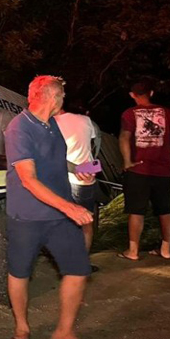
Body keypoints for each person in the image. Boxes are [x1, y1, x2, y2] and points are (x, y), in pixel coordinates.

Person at [3, 76, 94, 339]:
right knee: (20, 272)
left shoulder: (51, 124)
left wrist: (77, 167)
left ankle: (64, 331)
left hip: (58, 214)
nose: (64, 100)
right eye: (62, 96)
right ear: (52, 97)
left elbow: (51, 160)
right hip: (28, 215)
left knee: (78, 270)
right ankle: (22, 328)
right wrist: (70, 207)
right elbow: (28, 179)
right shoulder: (19, 128)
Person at [118, 78, 170, 260]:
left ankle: (133, 251)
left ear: (132, 95)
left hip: (139, 169)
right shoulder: (167, 112)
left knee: (136, 210)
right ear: (151, 93)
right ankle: (166, 250)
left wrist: (127, 161)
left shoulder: (129, 113)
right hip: (163, 169)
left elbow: (124, 138)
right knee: (165, 209)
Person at [54, 105, 100, 253]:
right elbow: (96, 141)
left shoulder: (48, 124)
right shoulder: (86, 121)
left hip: (61, 178)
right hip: (85, 178)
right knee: (86, 222)